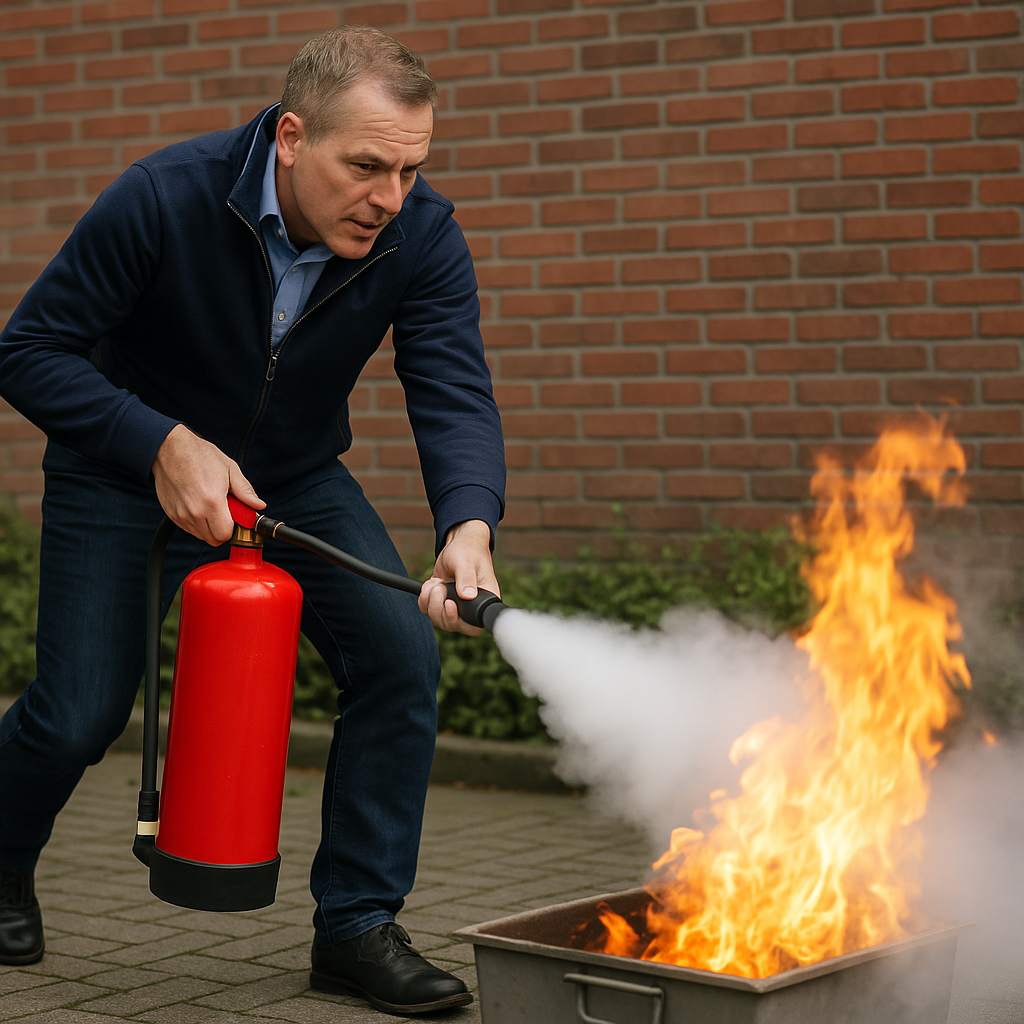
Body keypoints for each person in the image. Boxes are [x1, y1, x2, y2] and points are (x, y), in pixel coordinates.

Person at [0, 25, 505, 1017]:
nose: (389, 197)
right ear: (289, 137)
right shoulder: (164, 196)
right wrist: (158, 441)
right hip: (122, 462)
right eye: (365, 166)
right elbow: (29, 349)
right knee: (79, 712)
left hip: (290, 480)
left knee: (400, 659)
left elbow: (452, 389)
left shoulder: (423, 234)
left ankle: (356, 926)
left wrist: (469, 522)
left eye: (409, 170)